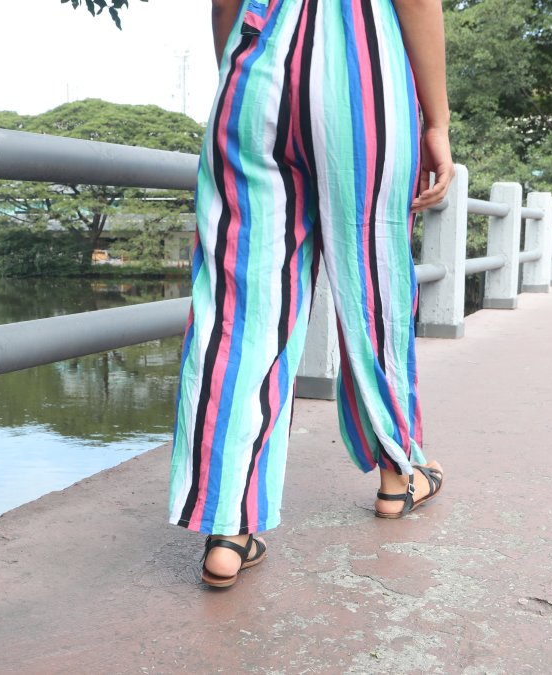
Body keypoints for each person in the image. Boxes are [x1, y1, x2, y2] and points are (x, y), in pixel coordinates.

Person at [167, 0, 454, 588]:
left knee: (239, 304)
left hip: (256, 68)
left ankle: (227, 526)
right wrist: (436, 121)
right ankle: (397, 475)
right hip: (365, 71)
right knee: (373, 281)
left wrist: (234, 72)